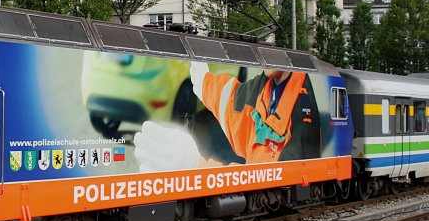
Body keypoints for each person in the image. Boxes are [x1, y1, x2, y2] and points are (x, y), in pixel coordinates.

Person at [134, 62, 321, 170]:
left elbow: (270, 176)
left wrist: (196, 165)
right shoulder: (265, 85)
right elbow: (234, 102)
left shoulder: (303, 110)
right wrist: (204, 83)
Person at [189, 62, 321, 163]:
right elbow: (231, 99)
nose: (264, 56)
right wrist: (203, 81)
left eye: (272, 49)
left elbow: (294, 174)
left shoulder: (303, 112)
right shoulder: (262, 87)